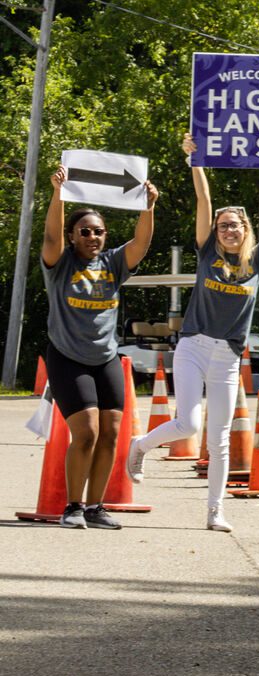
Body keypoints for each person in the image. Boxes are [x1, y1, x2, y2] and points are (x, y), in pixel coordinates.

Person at [128, 135, 259, 533]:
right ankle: (139, 446)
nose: (228, 230)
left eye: (235, 225)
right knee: (189, 425)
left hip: (227, 355)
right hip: (193, 346)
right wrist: (196, 162)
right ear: (216, 231)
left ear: (246, 230)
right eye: (223, 226)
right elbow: (204, 201)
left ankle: (215, 511)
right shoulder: (207, 252)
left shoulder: (258, 260)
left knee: (221, 438)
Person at [40, 165, 157, 529]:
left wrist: (148, 206)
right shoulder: (61, 264)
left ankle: (95, 507)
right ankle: (72, 508)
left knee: (111, 431)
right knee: (87, 430)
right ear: (73, 236)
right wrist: (58, 193)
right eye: (85, 232)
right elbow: (49, 237)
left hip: (105, 357)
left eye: (98, 232)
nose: (92, 237)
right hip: (67, 357)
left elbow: (141, 244)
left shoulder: (113, 262)